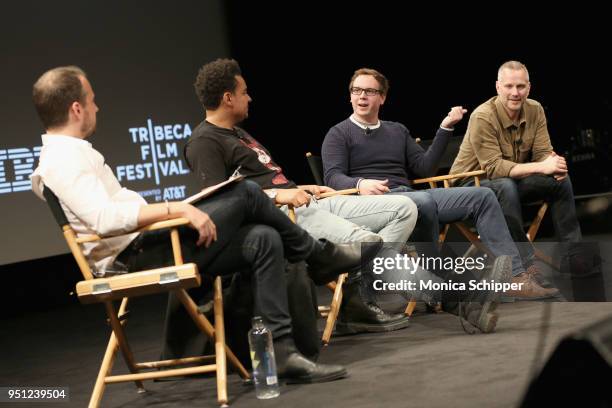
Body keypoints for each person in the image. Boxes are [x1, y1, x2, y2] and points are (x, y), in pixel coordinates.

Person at [30, 65, 365, 383]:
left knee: (264, 238)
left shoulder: (73, 153)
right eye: (91, 100)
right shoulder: (63, 160)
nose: (97, 107)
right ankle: (318, 256)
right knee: (247, 191)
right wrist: (175, 209)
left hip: (149, 242)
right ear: (76, 109)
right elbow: (104, 220)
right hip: (136, 256)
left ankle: (282, 354)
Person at [184, 58, 508, 334]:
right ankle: (457, 298)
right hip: (285, 217)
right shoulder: (205, 142)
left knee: (404, 208)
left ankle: (360, 293)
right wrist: (279, 197)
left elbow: (267, 180)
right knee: (368, 243)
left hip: (310, 201)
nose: (249, 98)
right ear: (228, 98)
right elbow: (220, 203)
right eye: (243, 92)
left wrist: (303, 188)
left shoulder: (238, 134)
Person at [322, 67, 557, 300]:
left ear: (382, 97)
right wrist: (361, 183)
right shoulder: (339, 134)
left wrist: (445, 127)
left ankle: (514, 277)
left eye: (370, 91)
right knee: (422, 200)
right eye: (357, 90)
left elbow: (424, 168)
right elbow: (333, 177)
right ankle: (438, 280)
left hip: (410, 196)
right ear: (350, 94)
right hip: (375, 204)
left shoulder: (396, 130)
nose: (362, 96)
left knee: (483, 195)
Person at [450, 60, 603, 300]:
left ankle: (573, 257)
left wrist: (553, 164)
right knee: (504, 186)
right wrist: (542, 166)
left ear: (529, 87)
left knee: (559, 181)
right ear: (498, 87)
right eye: (509, 86)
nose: (515, 92)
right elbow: (493, 167)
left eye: (520, 86)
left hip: (509, 181)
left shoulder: (535, 109)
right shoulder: (483, 116)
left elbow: (543, 151)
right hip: (470, 186)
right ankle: (527, 268)